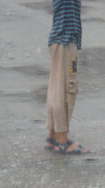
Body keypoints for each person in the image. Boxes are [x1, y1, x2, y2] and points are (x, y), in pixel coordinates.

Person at [45, 0, 89, 154]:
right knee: (66, 90)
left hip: (60, 42)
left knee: (55, 89)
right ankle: (62, 140)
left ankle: (53, 136)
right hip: (66, 44)